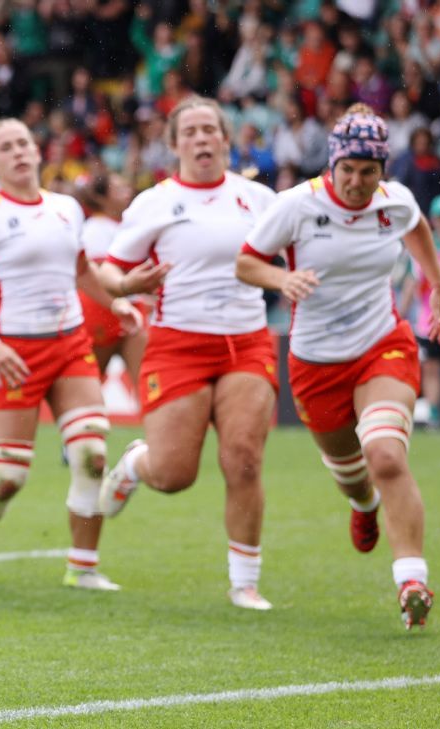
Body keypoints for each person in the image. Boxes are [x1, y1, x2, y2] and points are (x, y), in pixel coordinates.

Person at [236, 105, 440, 629]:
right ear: (332, 164)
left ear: (382, 170)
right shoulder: (296, 205)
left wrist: (437, 287)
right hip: (316, 363)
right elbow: (246, 262)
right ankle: (362, 504)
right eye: (347, 169)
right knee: (352, 475)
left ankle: (412, 581)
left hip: (382, 345)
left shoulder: (395, 201)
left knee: (386, 454)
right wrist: (282, 280)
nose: (355, 181)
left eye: (368, 171)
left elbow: (417, 229)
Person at [0, 119, 141, 590]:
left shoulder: (66, 208)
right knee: (8, 477)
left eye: (24, 142)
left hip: (70, 344)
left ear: (38, 151)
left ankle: (82, 567)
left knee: (91, 454)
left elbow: (82, 271)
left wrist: (115, 303)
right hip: (15, 352)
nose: (19, 152)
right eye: (6, 147)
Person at [96, 97, 280, 611]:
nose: (201, 139)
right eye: (190, 132)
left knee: (244, 458)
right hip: (178, 345)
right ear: (174, 144)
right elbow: (110, 271)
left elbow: (293, 253)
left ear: (226, 139)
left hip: (246, 341)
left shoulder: (260, 199)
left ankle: (245, 582)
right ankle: (136, 464)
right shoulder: (154, 203)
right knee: (174, 475)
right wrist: (128, 285)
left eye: (209, 130)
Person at [74, 173, 150, 384]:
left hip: (133, 308)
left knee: (146, 382)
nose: (127, 193)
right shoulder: (95, 229)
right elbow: (95, 275)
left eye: (126, 187)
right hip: (101, 311)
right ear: (101, 198)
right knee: (90, 383)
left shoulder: (129, 226)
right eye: (118, 189)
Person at [404, 194, 440, 427]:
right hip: (430, 320)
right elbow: (413, 282)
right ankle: (434, 415)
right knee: (431, 367)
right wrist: (402, 313)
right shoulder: (425, 246)